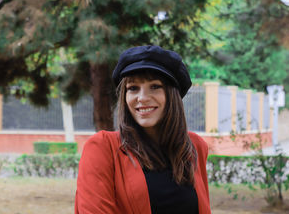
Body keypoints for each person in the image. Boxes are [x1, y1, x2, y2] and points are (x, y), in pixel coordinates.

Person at [75, 45, 211, 214]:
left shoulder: (193, 146)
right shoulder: (103, 148)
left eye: (155, 86)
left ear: (172, 96)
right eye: (133, 88)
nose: (142, 98)